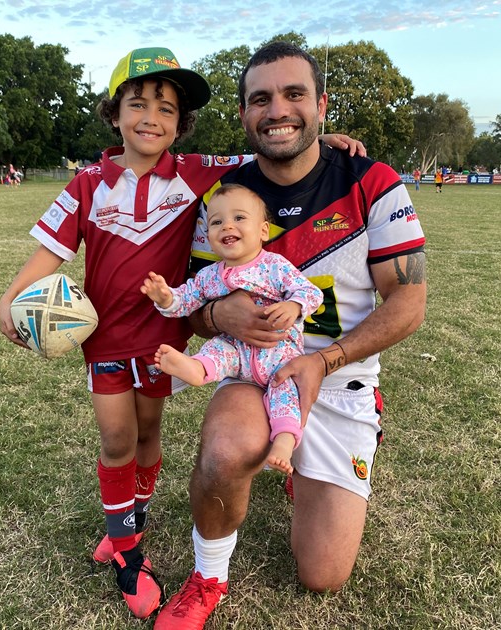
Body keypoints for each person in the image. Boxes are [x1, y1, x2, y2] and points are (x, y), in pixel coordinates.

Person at [0, 45, 363, 622]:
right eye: (137, 103)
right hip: (106, 344)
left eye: (166, 109)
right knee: (117, 443)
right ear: (114, 112)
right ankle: (127, 552)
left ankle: (129, 519)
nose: (151, 118)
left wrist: (331, 139)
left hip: (164, 344)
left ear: (180, 123)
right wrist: (11, 296)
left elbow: (277, 144)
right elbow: (51, 249)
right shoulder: (90, 182)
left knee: (148, 439)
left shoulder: (196, 172)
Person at [153, 42, 426, 630]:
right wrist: (221, 318)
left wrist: (325, 360)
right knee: (225, 452)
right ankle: (207, 579)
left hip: (336, 373)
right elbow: (196, 307)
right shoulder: (225, 198)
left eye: (294, 94)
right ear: (246, 114)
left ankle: (328, 445)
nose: (277, 110)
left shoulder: (373, 182)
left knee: (322, 575)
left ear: (322, 105)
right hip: (254, 369)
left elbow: (410, 302)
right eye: (260, 99)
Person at [141, 184, 323, 474]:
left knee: (286, 393)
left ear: (263, 231)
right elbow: (186, 300)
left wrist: (294, 306)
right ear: (209, 236)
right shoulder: (208, 276)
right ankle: (196, 370)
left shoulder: (274, 266)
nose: (227, 225)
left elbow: (310, 292)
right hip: (235, 351)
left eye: (239, 218)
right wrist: (166, 298)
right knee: (216, 350)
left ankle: (284, 444)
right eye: (216, 222)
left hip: (279, 354)